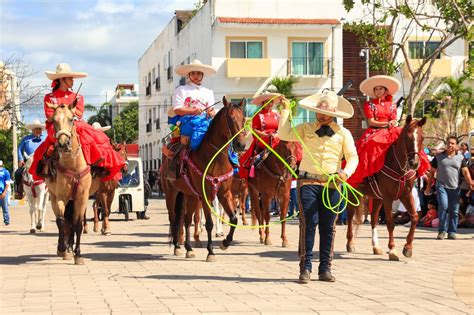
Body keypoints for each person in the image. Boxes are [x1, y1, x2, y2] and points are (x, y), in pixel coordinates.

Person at [278, 90, 358, 283]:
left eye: (324, 112)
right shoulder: (306, 128)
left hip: (332, 184)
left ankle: (325, 269)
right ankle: (305, 268)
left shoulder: (343, 133)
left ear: (333, 113)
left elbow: (353, 157)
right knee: (308, 224)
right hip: (308, 183)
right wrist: (286, 111)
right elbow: (283, 133)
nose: (320, 115)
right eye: (318, 111)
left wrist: (345, 173)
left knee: (328, 227)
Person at [29, 63, 125, 181]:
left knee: (94, 137)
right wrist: (65, 111)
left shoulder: (78, 97)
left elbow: (80, 113)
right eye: (70, 78)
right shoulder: (49, 97)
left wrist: (63, 110)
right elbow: (49, 117)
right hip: (57, 125)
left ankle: (96, 165)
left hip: (76, 124)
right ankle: (47, 169)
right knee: (49, 145)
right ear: (62, 79)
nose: (73, 80)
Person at [347, 75, 430, 187]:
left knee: (410, 140)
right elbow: (371, 122)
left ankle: (415, 169)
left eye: (380, 88)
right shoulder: (369, 105)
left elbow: (394, 119)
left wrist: (394, 122)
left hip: (391, 130)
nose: (378, 91)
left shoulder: (392, 105)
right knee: (371, 145)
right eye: (376, 89)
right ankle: (368, 176)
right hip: (375, 131)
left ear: (385, 91)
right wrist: (387, 123)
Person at [166, 59, 238, 179]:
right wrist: (192, 111)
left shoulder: (208, 92)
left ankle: (232, 162)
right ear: (189, 75)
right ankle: (184, 164)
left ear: (202, 75)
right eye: (193, 73)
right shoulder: (181, 90)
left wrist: (211, 112)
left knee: (225, 135)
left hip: (206, 120)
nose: (196, 76)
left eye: (198, 73)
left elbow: (212, 110)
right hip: (189, 121)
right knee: (197, 136)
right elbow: (177, 109)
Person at [425, 136, 474, 240]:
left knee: (454, 211)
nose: (450, 145)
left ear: (456, 146)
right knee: (443, 206)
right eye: (449, 143)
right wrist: (428, 187)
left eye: (452, 143)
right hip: (441, 185)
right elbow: (432, 172)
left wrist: (470, 183)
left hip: (455, 188)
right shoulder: (438, 157)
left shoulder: (460, 158)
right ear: (446, 145)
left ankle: (451, 231)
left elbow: (465, 171)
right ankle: (442, 231)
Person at [238, 86, 283, 180]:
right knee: (255, 160)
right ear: (263, 103)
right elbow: (254, 130)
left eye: (271, 102)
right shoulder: (258, 115)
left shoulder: (277, 115)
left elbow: (280, 128)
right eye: (267, 102)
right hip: (263, 140)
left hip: (276, 139)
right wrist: (265, 135)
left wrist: (276, 134)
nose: (269, 104)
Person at [14, 120, 46, 199]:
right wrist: (20, 159)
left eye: (40, 129)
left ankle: (54, 189)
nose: (39, 130)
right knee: (17, 173)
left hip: (42, 160)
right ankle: (19, 192)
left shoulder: (44, 139)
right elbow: (19, 149)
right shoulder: (26, 139)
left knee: (53, 171)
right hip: (28, 160)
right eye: (37, 129)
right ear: (33, 130)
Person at [0, 160, 11, 225]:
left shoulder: (5, 172)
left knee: (5, 207)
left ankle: (6, 220)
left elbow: (7, 183)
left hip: (3, 192)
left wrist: (4, 192)